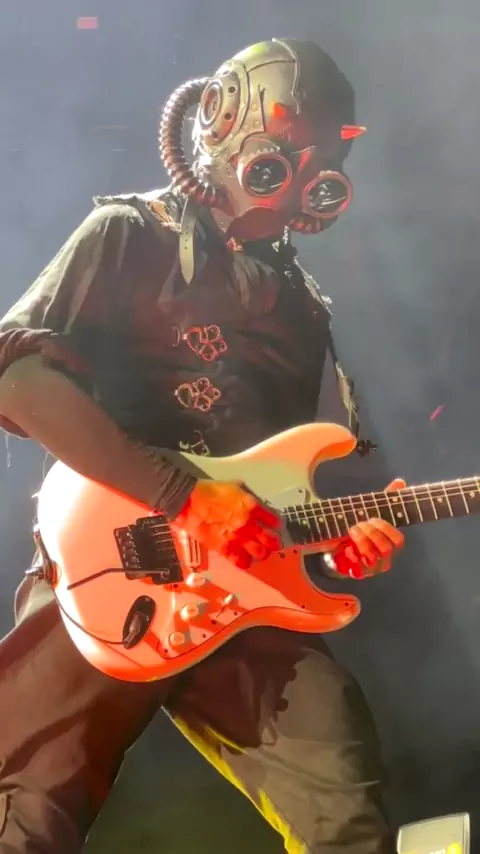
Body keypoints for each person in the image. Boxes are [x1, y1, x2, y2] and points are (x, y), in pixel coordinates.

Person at [0, 39, 405, 854]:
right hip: (110, 570)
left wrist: (336, 542)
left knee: (349, 810)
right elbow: (17, 379)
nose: (298, 178)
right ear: (220, 123)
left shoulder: (302, 308)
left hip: (244, 599)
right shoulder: (129, 233)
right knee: (28, 821)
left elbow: (275, 487)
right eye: (280, 154)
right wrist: (183, 497)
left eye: (319, 164)